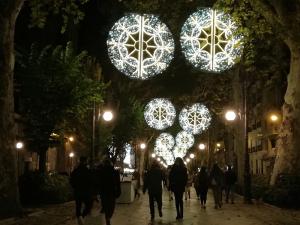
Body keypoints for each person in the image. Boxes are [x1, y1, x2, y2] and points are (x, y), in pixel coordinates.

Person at [70, 156, 93, 225]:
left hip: (78, 191)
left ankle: (80, 217)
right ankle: (81, 217)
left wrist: (75, 187)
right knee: (88, 205)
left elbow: (71, 180)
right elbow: (91, 181)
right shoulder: (87, 170)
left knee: (78, 205)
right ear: (85, 161)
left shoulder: (76, 170)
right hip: (86, 191)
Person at [97, 158, 121, 225]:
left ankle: (107, 217)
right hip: (112, 192)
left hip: (104, 192)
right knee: (111, 206)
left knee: (106, 206)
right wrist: (119, 192)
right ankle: (108, 217)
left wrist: (97, 192)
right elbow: (118, 183)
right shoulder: (115, 172)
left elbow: (98, 183)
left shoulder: (101, 172)